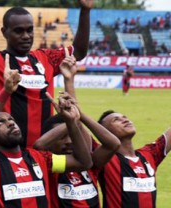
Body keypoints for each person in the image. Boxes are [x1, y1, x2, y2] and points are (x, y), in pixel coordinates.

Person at [0, 0, 92, 149]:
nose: (26, 36)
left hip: (41, 154)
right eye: (18, 31)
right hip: (1, 154)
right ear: (4, 32)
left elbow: (78, 52)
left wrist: (85, 11)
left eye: (29, 30)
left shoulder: (47, 58)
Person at [0, 93, 92, 208]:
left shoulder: (40, 158)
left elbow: (82, 162)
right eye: (1, 123)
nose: (10, 123)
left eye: (11, 119)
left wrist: (71, 122)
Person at [34, 53, 120, 208]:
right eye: (61, 137)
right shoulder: (47, 165)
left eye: (71, 136)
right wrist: (71, 121)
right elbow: (39, 145)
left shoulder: (90, 163)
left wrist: (69, 81)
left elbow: (113, 144)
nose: (69, 141)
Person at [98, 110, 171, 208]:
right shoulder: (105, 159)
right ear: (104, 133)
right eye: (116, 120)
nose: (125, 120)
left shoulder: (149, 154)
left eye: (125, 117)